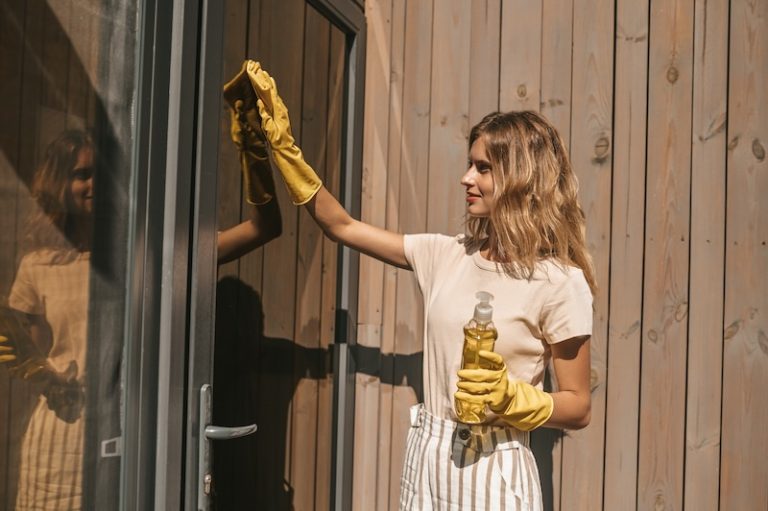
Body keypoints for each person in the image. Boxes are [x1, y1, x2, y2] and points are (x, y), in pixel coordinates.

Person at [244, 60, 595, 510]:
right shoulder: (446, 253)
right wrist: (287, 153)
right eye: (470, 164)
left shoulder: (560, 283)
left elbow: (578, 406)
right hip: (430, 453)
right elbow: (343, 226)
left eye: (483, 168)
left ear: (520, 179)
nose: (467, 178)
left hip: (494, 468)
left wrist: (514, 399)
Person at [0, 68, 280, 509]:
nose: (93, 185)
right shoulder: (38, 265)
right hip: (57, 436)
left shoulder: (142, 260)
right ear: (59, 183)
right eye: (81, 174)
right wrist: (44, 376)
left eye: (101, 175)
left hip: (121, 432)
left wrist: (252, 147)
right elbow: (35, 355)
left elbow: (263, 228)